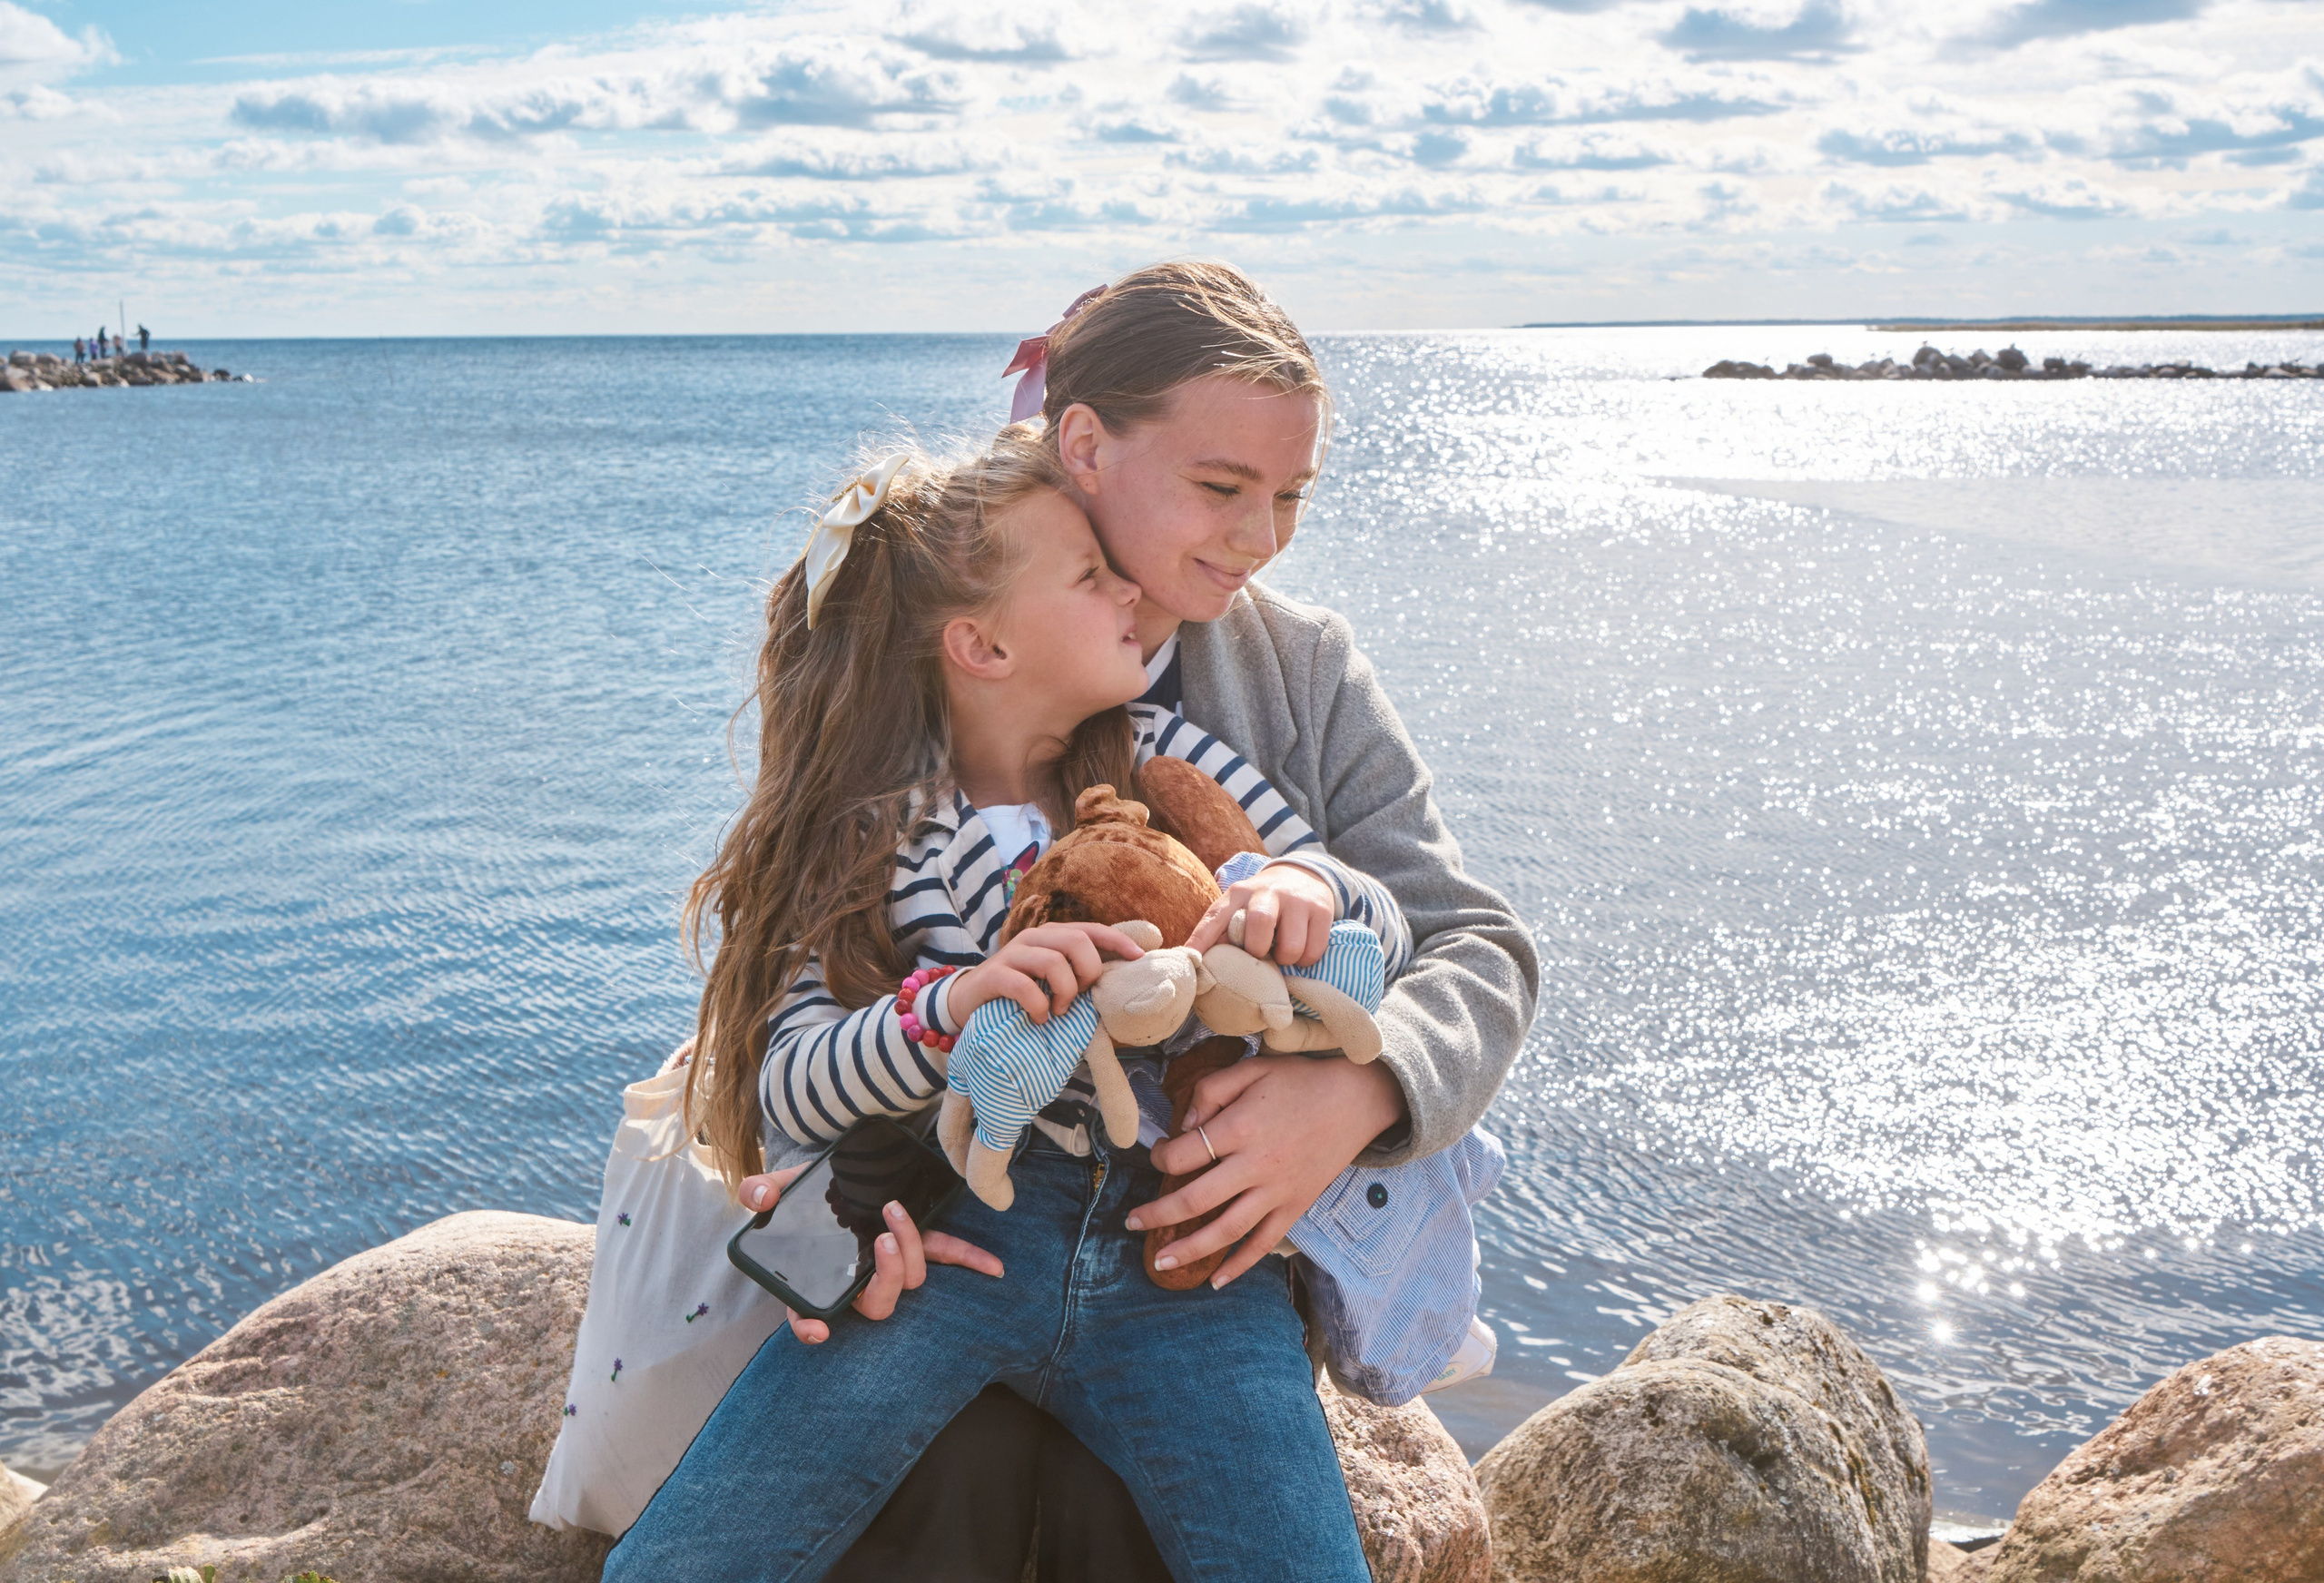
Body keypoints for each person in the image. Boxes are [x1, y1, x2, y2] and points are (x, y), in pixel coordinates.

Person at [607, 430, 1395, 1582]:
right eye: (1089, 576)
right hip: (953, 1246)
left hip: (1181, 1265)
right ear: (980, 643)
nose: (1131, 587)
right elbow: (791, 1074)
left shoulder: (1162, 758)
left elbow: (1364, 907)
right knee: (686, 1561)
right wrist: (948, 1009)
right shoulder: (869, 835)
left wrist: (1298, 886)